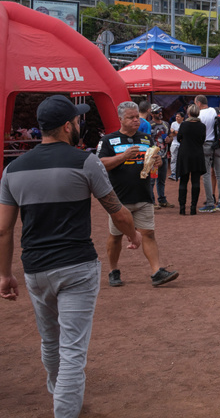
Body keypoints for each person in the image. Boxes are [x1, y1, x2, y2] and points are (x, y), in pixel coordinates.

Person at [0, 95, 140, 418]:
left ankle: (57, 388)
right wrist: (132, 234)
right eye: (77, 121)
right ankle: (64, 406)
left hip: (36, 268)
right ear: (67, 126)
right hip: (77, 266)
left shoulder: (12, 170)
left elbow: (4, 231)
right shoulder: (85, 162)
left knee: (51, 340)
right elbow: (116, 210)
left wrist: (5, 274)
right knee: (73, 350)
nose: (80, 124)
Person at [97, 101, 179, 288]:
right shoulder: (108, 140)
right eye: (131, 118)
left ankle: (157, 272)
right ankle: (113, 270)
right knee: (116, 236)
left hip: (143, 194)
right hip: (119, 199)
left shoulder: (145, 138)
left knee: (149, 234)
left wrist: (157, 161)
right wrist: (122, 157)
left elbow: (151, 159)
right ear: (120, 119)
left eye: (137, 117)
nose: (136, 120)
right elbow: (100, 163)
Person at [195, 95, 220, 213]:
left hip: (206, 144)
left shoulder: (199, 115)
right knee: (219, 173)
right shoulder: (215, 111)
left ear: (198, 103)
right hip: (218, 144)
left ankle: (210, 203)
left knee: (206, 174)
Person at [176, 104, 206, 216]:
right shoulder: (202, 126)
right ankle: (193, 207)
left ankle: (182, 208)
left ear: (188, 113)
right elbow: (203, 139)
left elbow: (179, 138)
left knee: (183, 181)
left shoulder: (184, 125)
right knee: (196, 181)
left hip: (184, 154)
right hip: (197, 154)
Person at [149, 104, 173, 209]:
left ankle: (162, 200)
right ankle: (152, 202)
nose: (159, 114)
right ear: (152, 114)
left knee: (162, 180)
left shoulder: (166, 124)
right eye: (157, 112)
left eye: (160, 112)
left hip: (164, 156)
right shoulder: (149, 125)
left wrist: (169, 139)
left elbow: (170, 135)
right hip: (154, 157)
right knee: (151, 181)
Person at [168, 111, 183, 180]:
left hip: (182, 144)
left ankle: (179, 173)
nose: (176, 118)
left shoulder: (184, 124)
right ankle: (173, 173)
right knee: (173, 159)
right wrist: (178, 133)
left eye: (178, 116)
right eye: (176, 116)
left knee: (180, 159)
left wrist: (175, 131)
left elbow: (182, 134)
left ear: (182, 118)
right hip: (174, 143)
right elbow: (172, 134)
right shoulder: (173, 123)